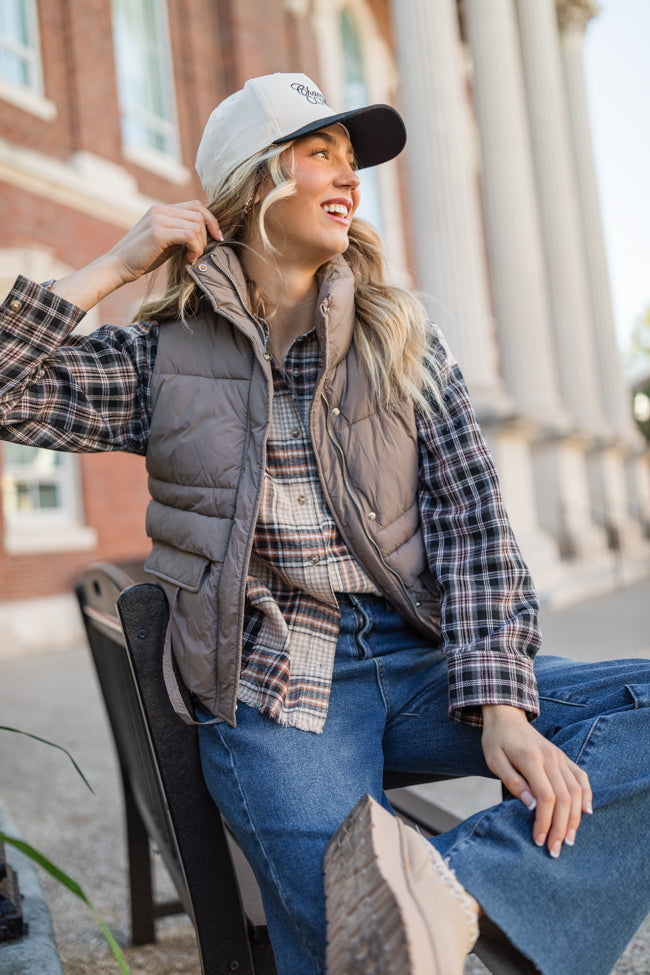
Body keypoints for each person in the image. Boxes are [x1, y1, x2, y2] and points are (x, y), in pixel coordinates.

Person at [0, 72, 648, 975]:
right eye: (319, 155)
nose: (348, 178)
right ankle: (414, 920)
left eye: (352, 161)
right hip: (276, 685)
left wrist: (501, 702)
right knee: (351, 934)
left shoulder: (405, 338)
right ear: (254, 183)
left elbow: (476, 529)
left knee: (385, 922)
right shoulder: (162, 359)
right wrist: (119, 260)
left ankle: (455, 895)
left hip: (422, 663)